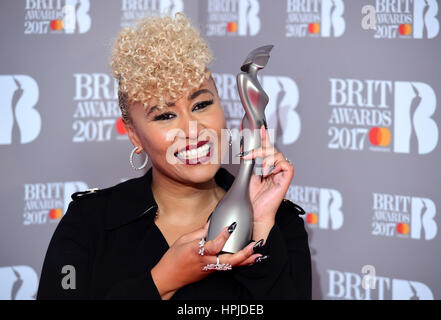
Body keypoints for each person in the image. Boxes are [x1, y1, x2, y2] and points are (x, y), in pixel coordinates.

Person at [36, 13, 311, 300]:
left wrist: (261, 227)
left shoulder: (280, 221)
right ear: (134, 134)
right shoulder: (88, 222)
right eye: (165, 115)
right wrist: (162, 281)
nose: (192, 130)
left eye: (202, 104)